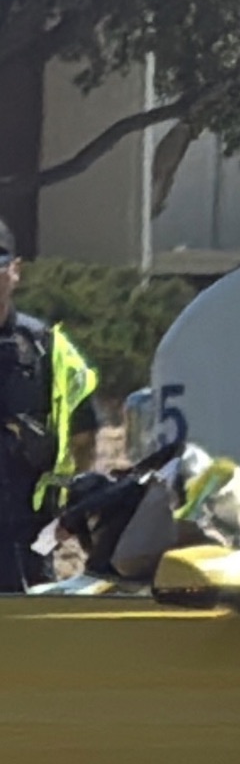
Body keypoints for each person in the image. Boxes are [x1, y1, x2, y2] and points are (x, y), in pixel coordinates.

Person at [0, 220, 98, 591]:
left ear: (15, 270)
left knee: (28, 644)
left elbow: (85, 432)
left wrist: (67, 509)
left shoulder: (48, 348)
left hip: (30, 536)